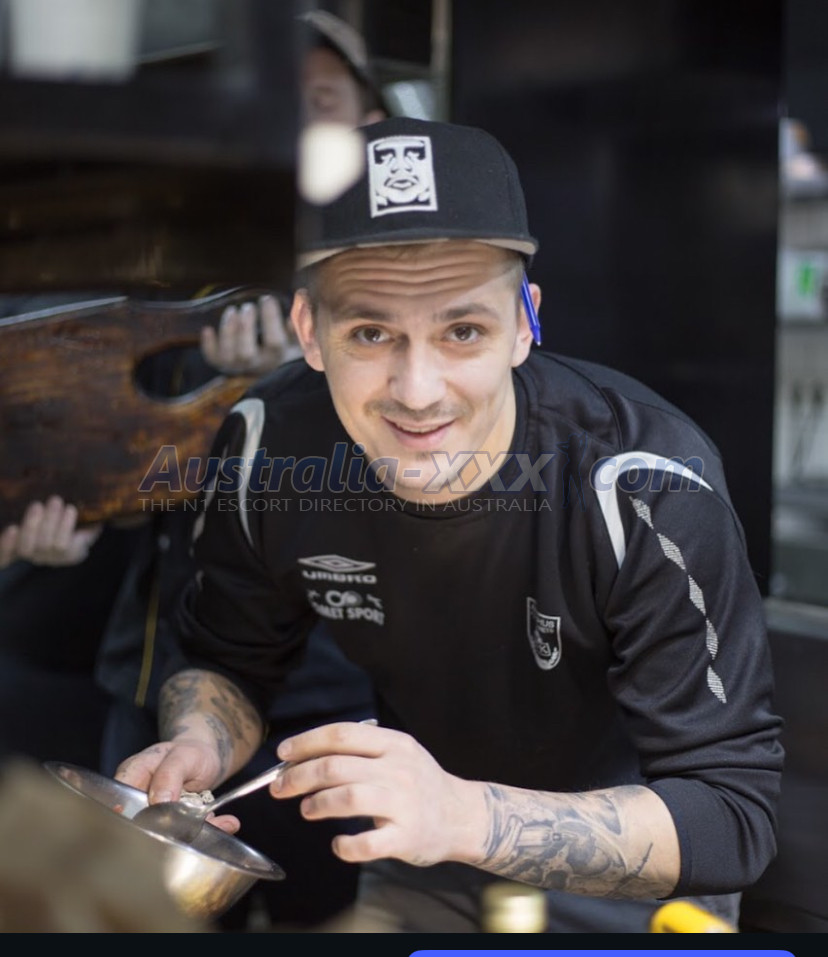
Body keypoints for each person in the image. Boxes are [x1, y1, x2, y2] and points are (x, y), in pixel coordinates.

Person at [85, 116, 788, 932]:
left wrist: (461, 814)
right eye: (371, 332)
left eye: (462, 331)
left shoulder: (643, 484)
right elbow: (226, 656)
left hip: (636, 879)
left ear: (524, 322)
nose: (417, 391)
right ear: (309, 330)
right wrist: (198, 743)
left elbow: (730, 815)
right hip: (420, 861)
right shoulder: (267, 449)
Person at [0, 10, 392, 932]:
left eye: (321, 100)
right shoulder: (181, 276)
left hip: (328, 696)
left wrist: (290, 386)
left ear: (372, 125)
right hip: (156, 675)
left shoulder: (397, 297)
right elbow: (132, 469)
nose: (294, 122)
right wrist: (65, 527)